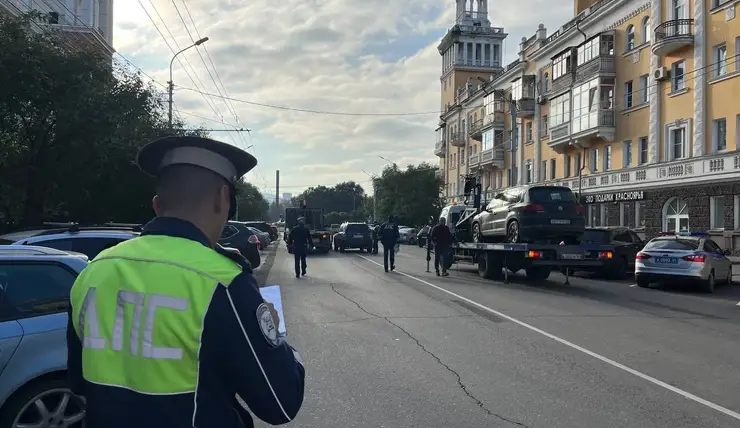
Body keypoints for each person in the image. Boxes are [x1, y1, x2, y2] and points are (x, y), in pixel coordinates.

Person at [66, 136, 305, 428]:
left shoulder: (93, 271)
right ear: (222, 200)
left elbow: (79, 382)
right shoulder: (223, 281)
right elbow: (281, 403)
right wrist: (276, 332)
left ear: (157, 205)